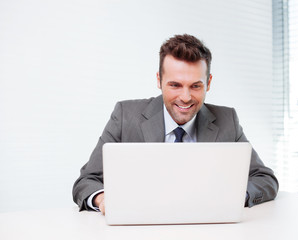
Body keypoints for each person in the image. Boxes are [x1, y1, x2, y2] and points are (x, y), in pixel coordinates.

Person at [72, 34, 279, 214]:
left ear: (208, 83)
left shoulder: (227, 120)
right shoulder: (125, 116)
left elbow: (265, 179)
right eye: (175, 85)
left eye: (196, 86)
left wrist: (233, 198)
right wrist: (104, 200)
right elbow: (87, 181)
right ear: (159, 80)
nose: (186, 97)